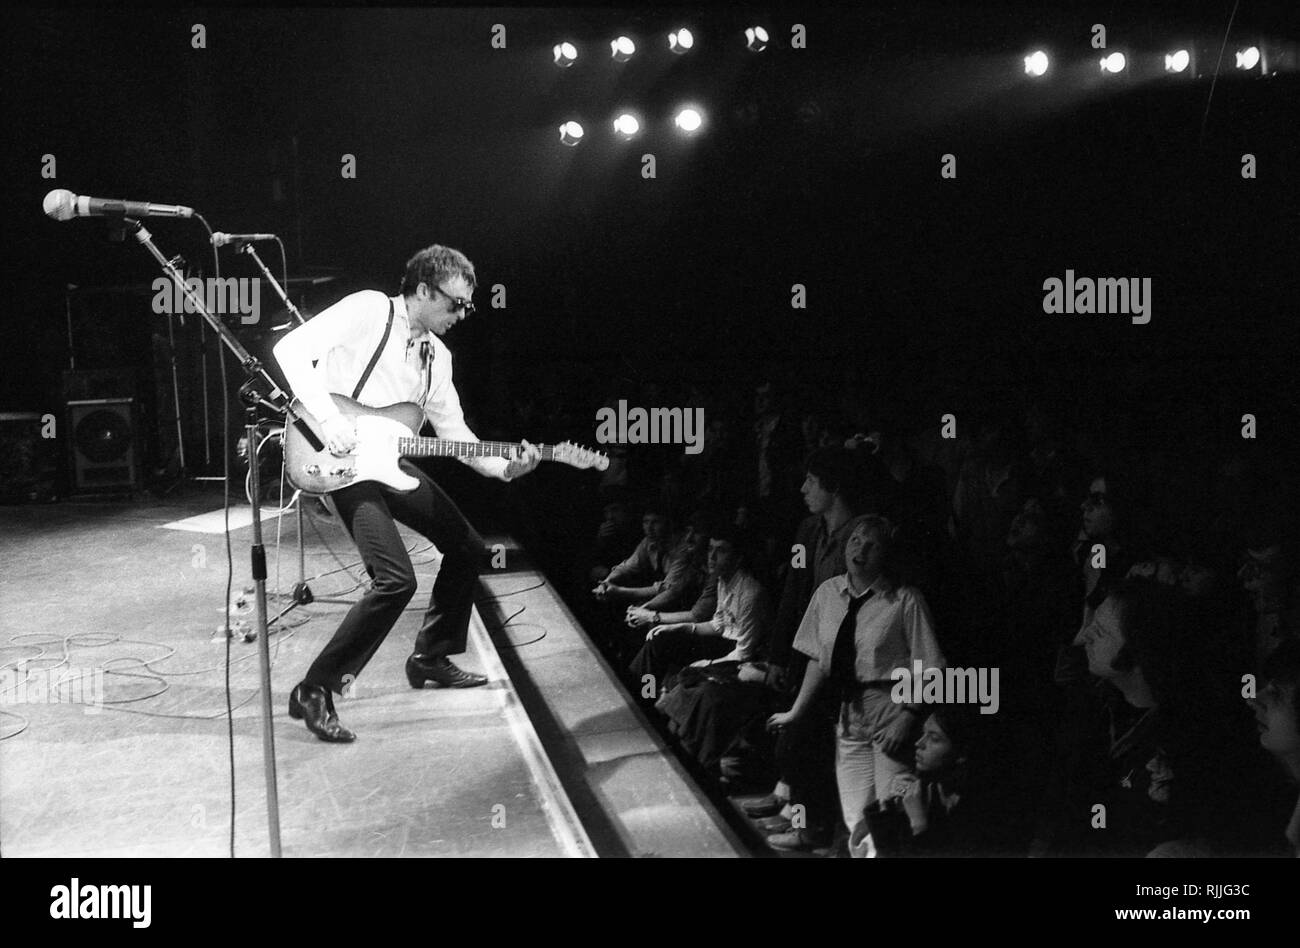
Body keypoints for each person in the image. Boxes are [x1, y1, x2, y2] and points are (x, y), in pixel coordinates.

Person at [272, 244, 541, 742]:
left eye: (468, 306)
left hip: (386, 462)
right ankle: (315, 688)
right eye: (455, 303)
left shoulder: (438, 358)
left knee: (469, 548)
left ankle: (430, 657)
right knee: (396, 580)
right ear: (422, 290)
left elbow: (457, 435)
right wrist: (330, 422)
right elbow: (287, 351)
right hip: (338, 461)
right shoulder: (369, 310)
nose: (462, 314)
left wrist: (507, 469)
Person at [767, 515, 946, 843]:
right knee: (857, 815)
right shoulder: (828, 593)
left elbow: (931, 666)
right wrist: (796, 711)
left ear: (885, 554)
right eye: (855, 540)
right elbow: (819, 660)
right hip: (850, 710)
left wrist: (908, 715)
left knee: (893, 809)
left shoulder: (904, 599)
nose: (860, 549)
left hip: (890, 705)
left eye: (871, 544)